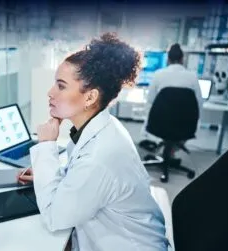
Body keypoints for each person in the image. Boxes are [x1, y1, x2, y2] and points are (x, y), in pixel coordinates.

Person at [17, 33, 168, 251]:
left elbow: (54, 217)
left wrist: (46, 147)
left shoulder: (101, 154)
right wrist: (44, 175)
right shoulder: (103, 127)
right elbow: (79, 177)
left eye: (61, 86)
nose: (50, 93)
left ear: (90, 98)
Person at [140, 43, 203, 148]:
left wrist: (149, 121)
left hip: (159, 126)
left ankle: (164, 149)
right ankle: (173, 150)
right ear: (182, 59)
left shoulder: (158, 74)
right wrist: (195, 124)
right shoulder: (193, 76)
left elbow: (150, 102)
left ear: (167, 59)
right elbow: (199, 104)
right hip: (185, 128)